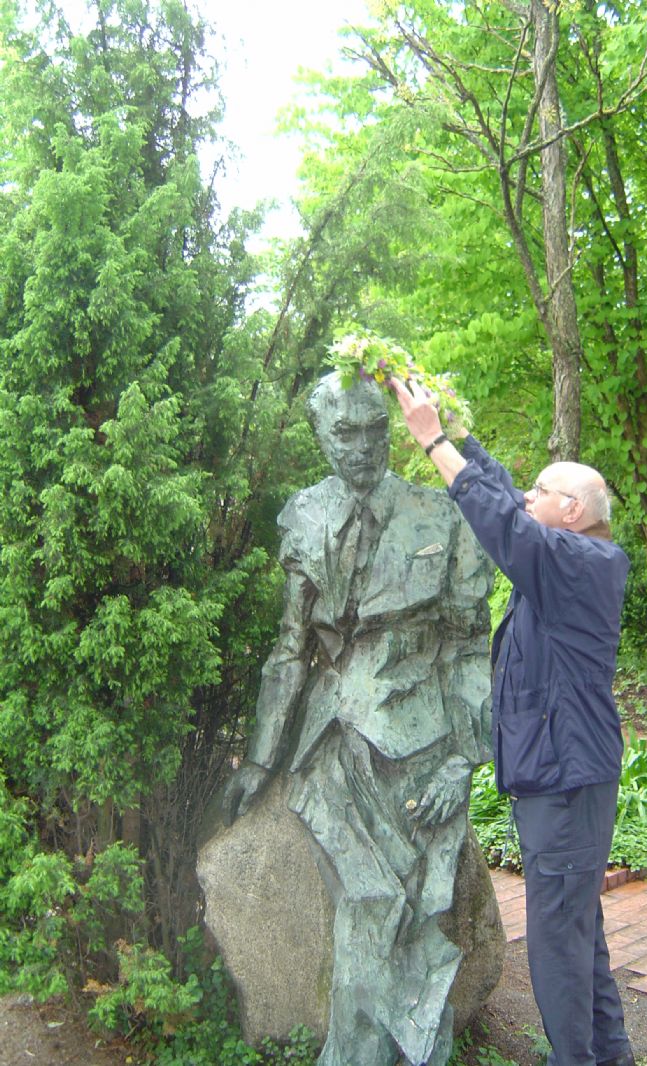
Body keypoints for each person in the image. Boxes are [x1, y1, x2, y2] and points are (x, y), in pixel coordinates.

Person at [222, 372, 494, 1066]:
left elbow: (467, 646)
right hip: (333, 742)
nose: (363, 446)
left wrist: (466, 759)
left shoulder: (442, 517)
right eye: (345, 431)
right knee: (372, 900)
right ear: (318, 434)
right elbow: (290, 650)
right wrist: (259, 760)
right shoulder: (304, 515)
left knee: (406, 915)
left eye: (376, 428)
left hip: (422, 746)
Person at [391, 376, 635, 1066]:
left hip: (564, 783)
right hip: (564, 778)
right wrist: (461, 431)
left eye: (539, 491)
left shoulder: (580, 563)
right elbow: (502, 497)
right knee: (578, 937)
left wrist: (433, 441)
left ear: (571, 509)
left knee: (559, 946)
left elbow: (500, 521)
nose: (526, 497)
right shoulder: (568, 557)